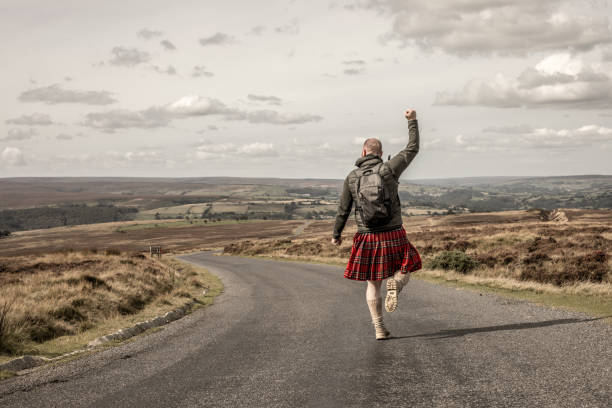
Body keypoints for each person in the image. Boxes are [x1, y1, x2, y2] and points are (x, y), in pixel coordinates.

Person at [332, 109, 422, 340]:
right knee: (407, 265)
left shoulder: (352, 177)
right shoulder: (389, 168)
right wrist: (412, 121)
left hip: (367, 236)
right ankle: (397, 285)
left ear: (363, 151)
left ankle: (379, 328)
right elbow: (412, 148)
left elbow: (343, 209)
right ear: (381, 153)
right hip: (393, 232)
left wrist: (336, 235)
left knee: (373, 284)